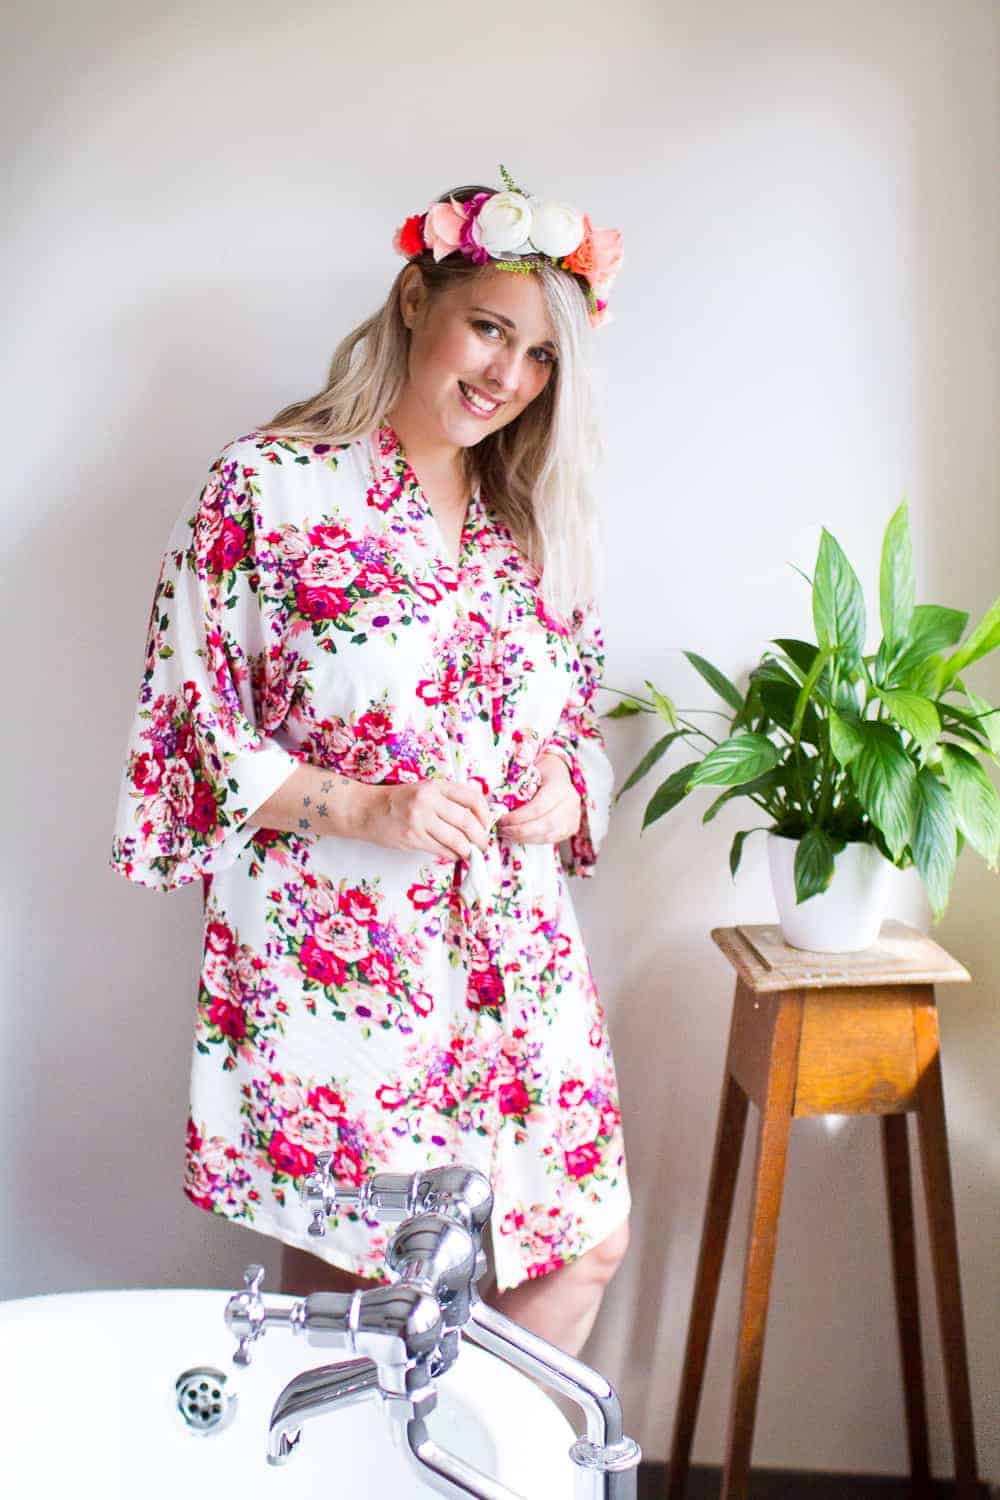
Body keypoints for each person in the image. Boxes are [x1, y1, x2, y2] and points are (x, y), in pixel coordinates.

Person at [109, 167, 630, 1358]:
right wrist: (369, 806)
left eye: (540, 356)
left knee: (578, 1243)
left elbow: (574, 723)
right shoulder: (268, 486)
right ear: (414, 300)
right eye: (489, 328)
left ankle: (481, 1459)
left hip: (517, 955)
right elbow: (188, 731)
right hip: (341, 959)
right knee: (361, 1292)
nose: (507, 376)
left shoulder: (528, 516)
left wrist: (568, 789)